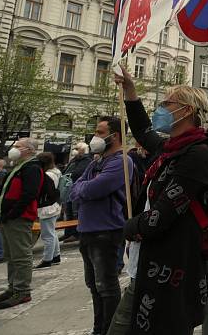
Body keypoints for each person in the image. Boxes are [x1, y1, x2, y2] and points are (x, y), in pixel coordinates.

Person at [109, 66, 208, 335]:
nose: (161, 108)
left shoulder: (197, 155)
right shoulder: (169, 148)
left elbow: (162, 215)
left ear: (187, 110)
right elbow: (143, 128)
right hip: (147, 265)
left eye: (167, 103)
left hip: (170, 269)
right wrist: (130, 91)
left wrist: (128, 228)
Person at [69, 117, 132, 335]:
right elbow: (74, 190)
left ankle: (111, 330)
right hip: (87, 230)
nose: (95, 136)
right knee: (94, 286)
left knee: (106, 285)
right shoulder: (97, 161)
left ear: (114, 136)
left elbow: (95, 189)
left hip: (106, 231)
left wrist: (83, 189)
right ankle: (99, 329)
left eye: (100, 131)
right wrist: (83, 189)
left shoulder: (121, 160)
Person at [0, 138, 43, 309]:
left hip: (19, 218)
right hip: (9, 218)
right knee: (11, 255)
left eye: (18, 146)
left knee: (21, 255)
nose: (14, 148)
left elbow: (29, 194)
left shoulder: (32, 167)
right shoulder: (19, 166)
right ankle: (13, 287)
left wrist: (12, 214)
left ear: (29, 150)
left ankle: (22, 290)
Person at [35, 152, 62, 269]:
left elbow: (46, 191)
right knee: (52, 232)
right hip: (54, 205)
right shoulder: (56, 172)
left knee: (47, 234)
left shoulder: (48, 175)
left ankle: (47, 259)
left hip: (47, 207)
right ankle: (55, 256)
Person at [62, 142, 92, 244]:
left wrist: (70, 174)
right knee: (68, 211)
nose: (74, 150)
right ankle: (68, 233)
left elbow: (80, 172)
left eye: (77, 148)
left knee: (75, 212)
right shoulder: (74, 160)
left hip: (76, 188)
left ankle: (76, 234)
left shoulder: (87, 160)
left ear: (83, 150)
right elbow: (66, 170)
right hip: (68, 188)